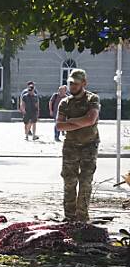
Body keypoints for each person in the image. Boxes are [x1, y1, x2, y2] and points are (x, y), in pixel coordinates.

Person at [56, 69, 100, 222]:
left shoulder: (92, 99)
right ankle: (69, 216)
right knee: (69, 181)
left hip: (89, 145)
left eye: (75, 84)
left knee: (85, 181)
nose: (72, 86)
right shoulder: (65, 102)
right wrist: (79, 122)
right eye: (70, 83)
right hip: (71, 146)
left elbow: (91, 120)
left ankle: (82, 217)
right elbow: (59, 126)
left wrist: (70, 123)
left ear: (84, 83)